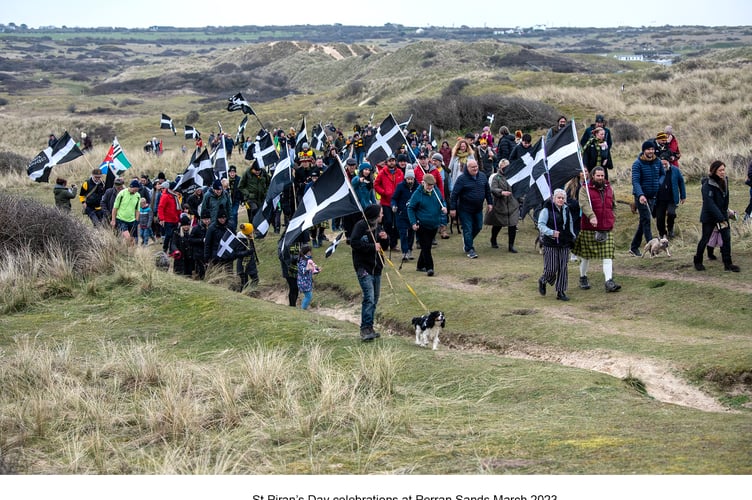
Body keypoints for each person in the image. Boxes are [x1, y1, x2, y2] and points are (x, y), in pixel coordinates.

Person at [572, 167, 622, 293]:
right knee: (585, 257)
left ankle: (609, 282)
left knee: (607, 256)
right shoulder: (585, 189)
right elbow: (583, 204)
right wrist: (591, 216)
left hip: (606, 227)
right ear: (592, 176)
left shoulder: (609, 188)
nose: (600, 178)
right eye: (598, 175)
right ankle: (583, 277)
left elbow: (613, 205)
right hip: (589, 228)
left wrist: (612, 216)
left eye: (602, 175)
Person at [350, 204, 389, 342]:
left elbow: (382, 247)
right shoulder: (361, 226)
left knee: (375, 299)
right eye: (381, 213)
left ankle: (370, 327)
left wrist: (385, 239)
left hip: (376, 267)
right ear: (375, 215)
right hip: (363, 268)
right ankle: (365, 329)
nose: (382, 215)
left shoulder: (378, 227)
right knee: (369, 297)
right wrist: (373, 247)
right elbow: (354, 242)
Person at [694, 161, 740, 272]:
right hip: (709, 217)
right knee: (705, 239)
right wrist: (721, 218)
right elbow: (709, 203)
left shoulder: (725, 181)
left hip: (722, 216)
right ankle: (697, 261)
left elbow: (725, 199)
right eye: (720, 170)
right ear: (714, 170)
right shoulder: (707, 185)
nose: (722, 172)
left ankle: (728, 264)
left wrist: (726, 213)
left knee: (726, 239)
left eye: (724, 169)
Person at [537, 189, 577, 301]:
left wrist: (572, 236)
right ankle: (543, 280)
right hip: (550, 242)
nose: (561, 200)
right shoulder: (546, 209)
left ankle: (561, 291)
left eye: (562, 198)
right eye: (558, 198)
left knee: (563, 267)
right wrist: (551, 232)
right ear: (554, 198)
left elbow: (570, 223)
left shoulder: (566, 209)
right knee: (551, 268)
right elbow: (540, 225)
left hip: (564, 241)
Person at [449, 159, 493, 259]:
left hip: (478, 208)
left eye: (476, 166)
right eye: (472, 167)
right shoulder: (462, 179)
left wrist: (490, 203)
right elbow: (454, 194)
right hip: (465, 209)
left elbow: (487, 190)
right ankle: (469, 249)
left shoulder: (482, 176)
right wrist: (452, 208)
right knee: (467, 228)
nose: (475, 168)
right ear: (467, 168)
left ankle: (467, 240)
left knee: (478, 226)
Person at [629, 140, 665, 257]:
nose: (651, 151)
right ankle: (652, 249)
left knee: (643, 221)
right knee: (647, 220)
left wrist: (658, 183)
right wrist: (640, 195)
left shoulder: (657, 162)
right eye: (648, 149)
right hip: (641, 197)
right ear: (644, 150)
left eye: (652, 149)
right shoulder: (637, 164)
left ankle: (634, 247)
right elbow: (635, 181)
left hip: (653, 195)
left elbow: (662, 174)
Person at [407, 173, 447, 277]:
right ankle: (430, 268)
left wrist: (444, 208)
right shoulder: (417, 194)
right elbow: (410, 208)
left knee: (427, 245)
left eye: (432, 185)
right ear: (423, 183)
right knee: (426, 247)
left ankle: (420, 266)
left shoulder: (436, 191)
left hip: (434, 224)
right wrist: (413, 222)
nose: (430, 187)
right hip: (422, 225)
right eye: (428, 185)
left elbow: (442, 202)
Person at [484, 159, 520, 252]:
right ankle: (493, 239)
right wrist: (501, 192)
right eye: (504, 167)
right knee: (498, 224)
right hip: (500, 204)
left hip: (512, 205)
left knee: (513, 224)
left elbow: (518, 188)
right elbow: (493, 188)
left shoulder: (514, 175)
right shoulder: (496, 177)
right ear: (500, 167)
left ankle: (511, 246)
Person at [374, 155, 404, 251]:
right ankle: (385, 243)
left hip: (397, 202)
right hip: (386, 202)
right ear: (387, 162)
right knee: (388, 222)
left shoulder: (399, 172)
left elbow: (403, 184)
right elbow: (376, 184)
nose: (392, 162)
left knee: (396, 223)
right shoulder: (382, 172)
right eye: (390, 161)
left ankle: (394, 244)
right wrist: (383, 192)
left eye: (393, 161)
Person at [654, 154, 687, 239]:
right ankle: (662, 233)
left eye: (665, 164)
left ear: (669, 162)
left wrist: (683, 196)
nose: (663, 166)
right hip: (659, 199)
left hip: (672, 198)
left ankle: (670, 229)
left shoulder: (675, 170)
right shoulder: (655, 170)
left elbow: (681, 182)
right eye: (661, 164)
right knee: (660, 218)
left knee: (672, 214)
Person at [391, 167, 418, 261]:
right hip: (401, 214)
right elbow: (394, 198)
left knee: (411, 233)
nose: (410, 181)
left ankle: (410, 249)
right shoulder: (400, 186)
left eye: (411, 179)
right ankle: (405, 252)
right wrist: (394, 206)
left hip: (413, 215)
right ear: (405, 178)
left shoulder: (417, 187)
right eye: (408, 179)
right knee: (403, 234)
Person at [238, 161, 269, 226]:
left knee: (259, 213)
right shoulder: (247, 173)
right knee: (254, 210)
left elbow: (269, 183)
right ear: (252, 169)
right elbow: (240, 186)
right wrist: (248, 194)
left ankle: (255, 226)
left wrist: (266, 192)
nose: (257, 172)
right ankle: (253, 226)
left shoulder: (264, 173)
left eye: (259, 171)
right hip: (250, 198)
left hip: (261, 198)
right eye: (256, 170)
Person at [157, 181, 181, 253]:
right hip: (168, 220)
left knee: (174, 236)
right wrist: (162, 219)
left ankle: (171, 250)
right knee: (169, 235)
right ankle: (165, 248)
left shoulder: (175, 197)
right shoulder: (166, 196)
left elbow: (178, 209)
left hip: (175, 219)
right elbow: (161, 207)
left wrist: (179, 219)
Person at [235, 223, 259, 289]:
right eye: (251, 231)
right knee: (244, 283)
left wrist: (256, 259)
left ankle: (251, 292)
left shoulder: (250, 238)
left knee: (255, 279)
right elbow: (237, 253)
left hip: (251, 263)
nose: (252, 232)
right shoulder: (240, 240)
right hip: (242, 265)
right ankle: (245, 294)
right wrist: (247, 252)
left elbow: (253, 250)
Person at [297, 244, 321, 310]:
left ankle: (303, 308)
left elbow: (312, 270)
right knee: (308, 296)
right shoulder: (302, 260)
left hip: (307, 281)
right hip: (303, 282)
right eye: (309, 251)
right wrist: (307, 268)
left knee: (308, 296)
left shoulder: (308, 260)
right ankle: (303, 309)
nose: (311, 252)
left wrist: (317, 270)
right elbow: (301, 270)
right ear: (306, 252)